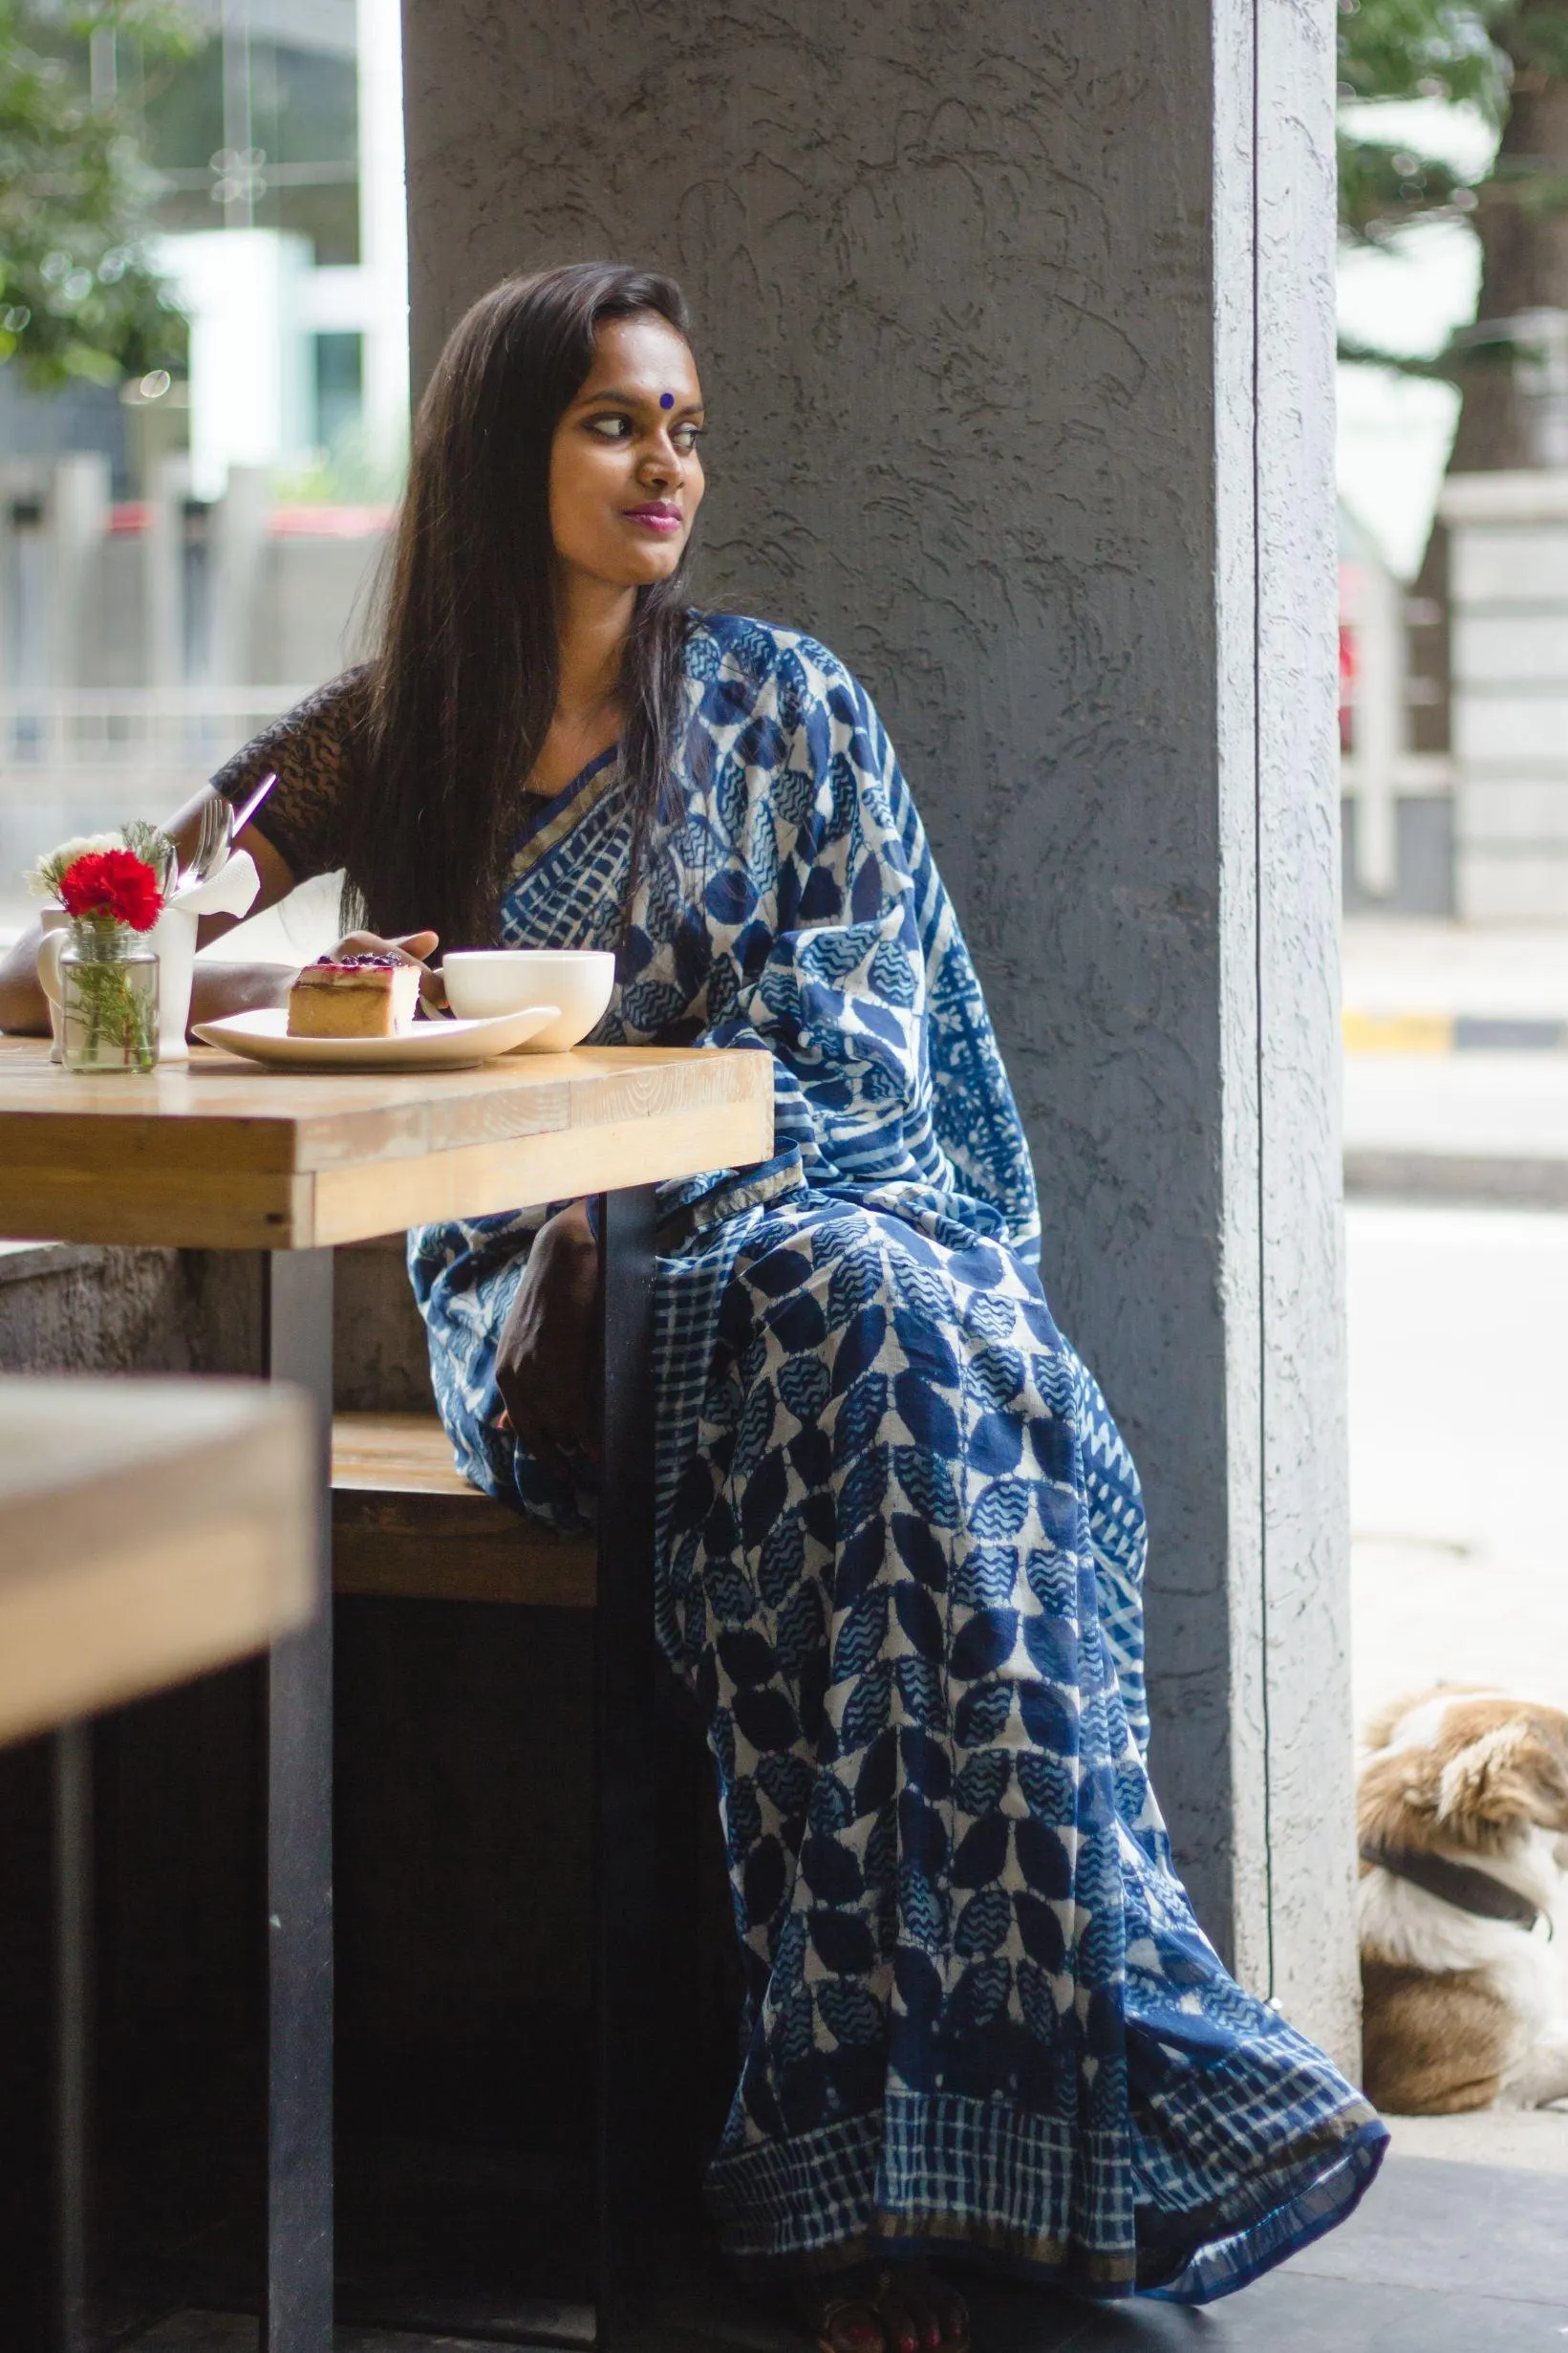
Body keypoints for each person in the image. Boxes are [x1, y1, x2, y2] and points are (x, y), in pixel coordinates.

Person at [0, 264, 1385, 2349]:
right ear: (505, 451)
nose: (671, 467)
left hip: (801, 1229)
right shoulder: (387, 736)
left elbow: (871, 1039)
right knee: (889, 1370)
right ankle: (884, 2174)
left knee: (913, 1380)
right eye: (615, 423)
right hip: (545, 1303)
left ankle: (956, 2143)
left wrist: (660, 1186)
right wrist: (277, 978)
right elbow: (89, 942)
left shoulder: (778, 697)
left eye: (684, 425)